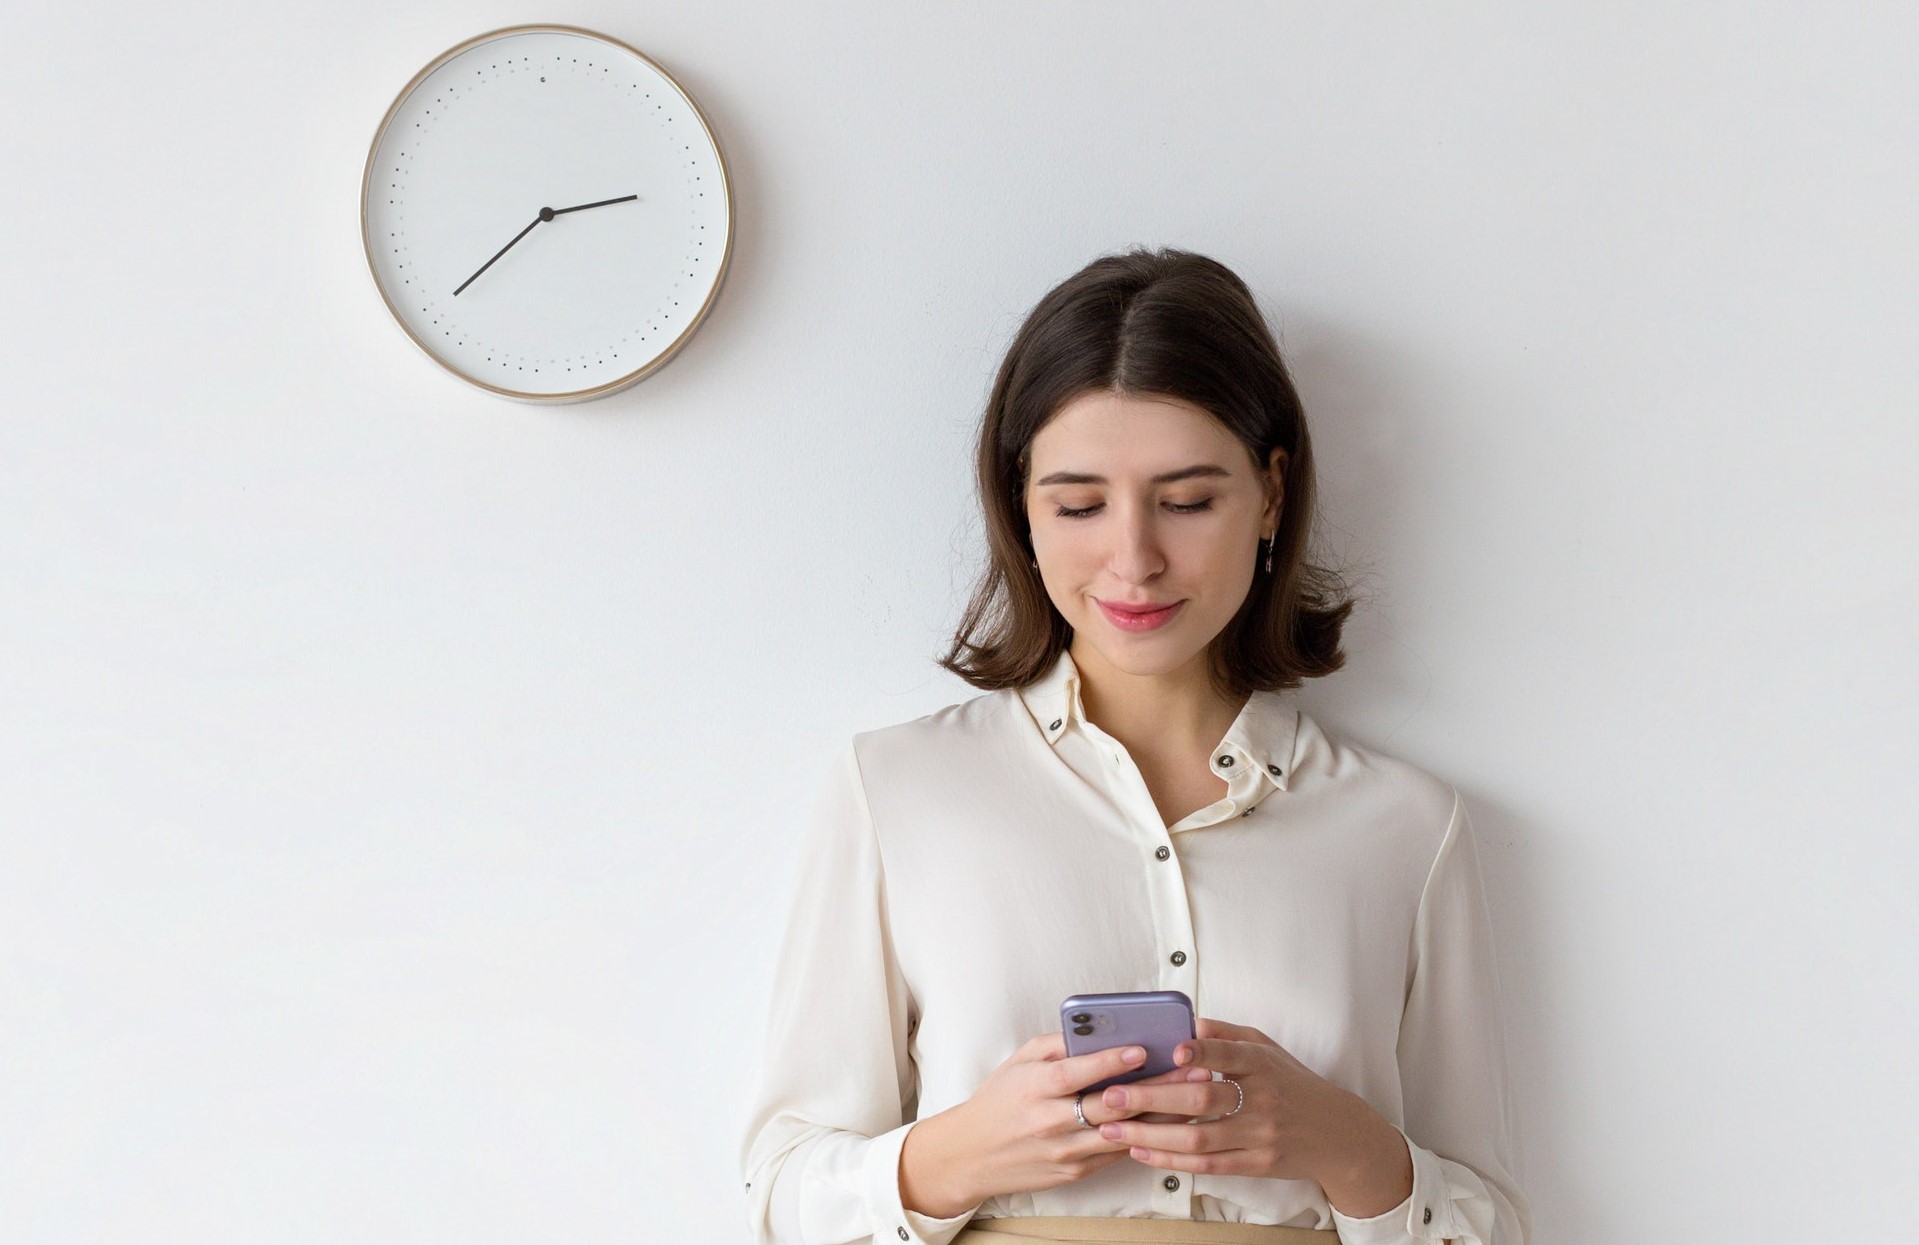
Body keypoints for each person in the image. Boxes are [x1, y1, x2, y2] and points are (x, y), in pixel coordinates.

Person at [738, 247, 1533, 1245]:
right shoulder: (898, 789)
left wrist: (1343, 1147)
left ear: (1271, 496)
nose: (1133, 559)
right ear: (1019, 508)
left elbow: (1491, 1226)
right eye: (1076, 504)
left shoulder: (1403, 826)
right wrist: (958, 1154)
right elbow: (776, 1198)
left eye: (1188, 501)